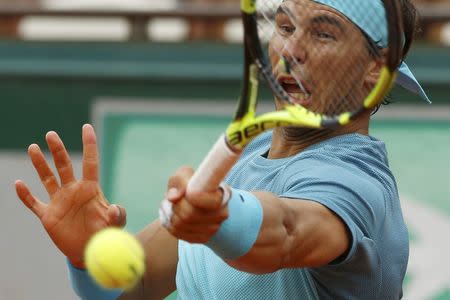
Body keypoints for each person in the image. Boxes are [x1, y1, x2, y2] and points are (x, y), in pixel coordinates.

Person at [15, 0, 430, 299]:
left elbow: (286, 232)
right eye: (285, 28)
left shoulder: (358, 185)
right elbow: (137, 286)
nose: (290, 51)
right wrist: (88, 258)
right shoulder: (251, 159)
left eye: (322, 34)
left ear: (377, 67)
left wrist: (224, 216)